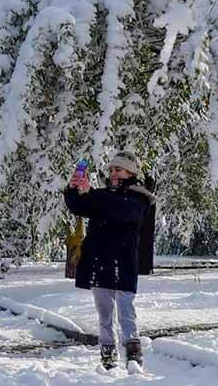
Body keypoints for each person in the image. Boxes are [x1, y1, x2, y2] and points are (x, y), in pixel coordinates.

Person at [64, 151, 156, 372]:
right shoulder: (103, 195)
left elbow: (122, 211)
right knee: (104, 312)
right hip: (99, 260)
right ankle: (107, 356)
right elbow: (80, 206)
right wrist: (74, 189)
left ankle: (133, 356)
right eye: (112, 169)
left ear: (130, 172)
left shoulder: (139, 197)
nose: (114, 173)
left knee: (126, 309)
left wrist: (92, 193)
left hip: (124, 262)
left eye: (119, 169)